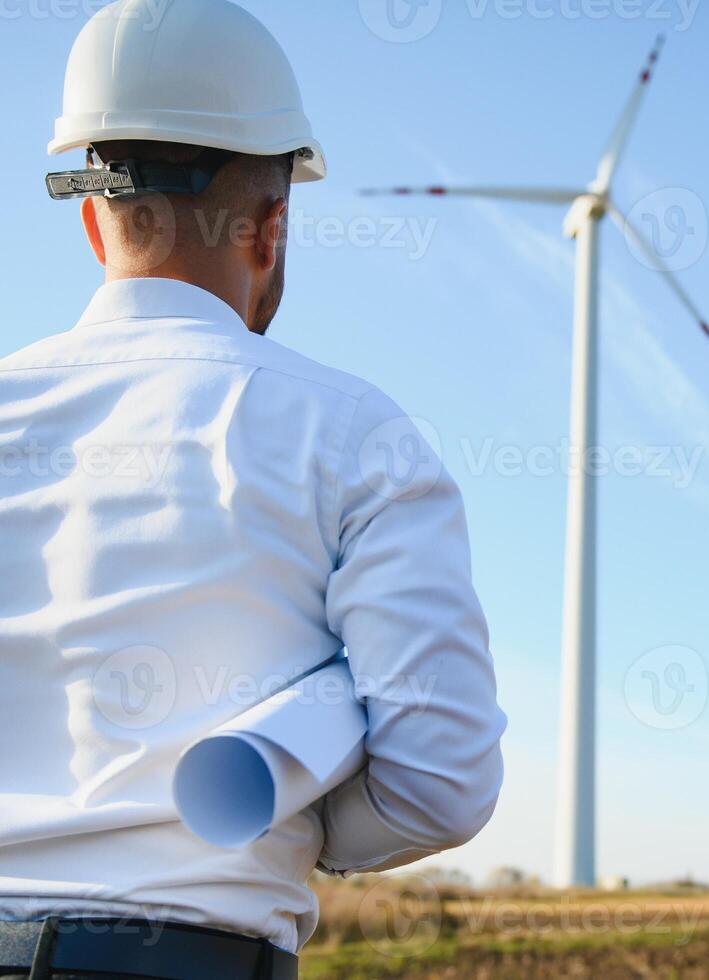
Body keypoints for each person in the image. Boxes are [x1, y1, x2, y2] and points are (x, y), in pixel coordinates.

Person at [0, 1, 508, 976]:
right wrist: (283, 800)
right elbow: (443, 778)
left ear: (92, 222)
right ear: (270, 226)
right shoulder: (356, 437)